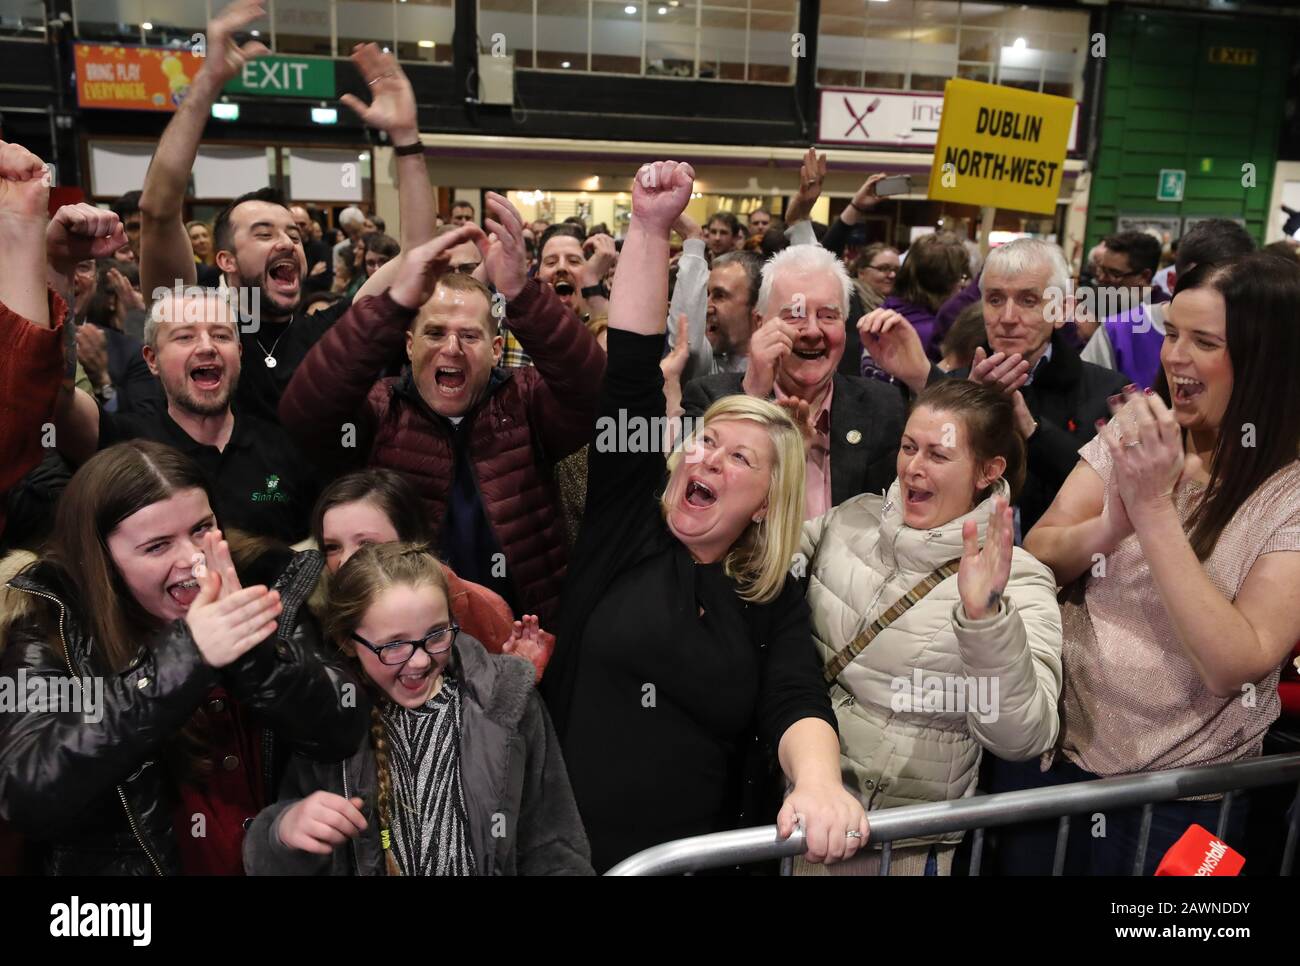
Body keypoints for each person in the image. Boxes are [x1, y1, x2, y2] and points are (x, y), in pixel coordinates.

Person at [545, 159, 867, 874]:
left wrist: (818, 782)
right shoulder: (626, 524)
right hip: (566, 856)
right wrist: (651, 225)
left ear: (764, 507)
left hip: (698, 863)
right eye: (706, 442)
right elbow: (629, 365)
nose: (710, 461)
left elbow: (796, 697)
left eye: (740, 460)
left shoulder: (769, 593)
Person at [988, 252, 1300, 875]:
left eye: (1204, 342)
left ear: (1266, 359)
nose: (1174, 357)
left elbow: (1234, 663)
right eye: (1173, 334)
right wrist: (1110, 524)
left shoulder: (1289, 491)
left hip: (1179, 805)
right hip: (1052, 765)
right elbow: (1042, 555)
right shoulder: (1139, 427)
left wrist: (1152, 510)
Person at [0, 440, 368, 875]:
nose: (193, 559)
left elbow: (340, 725)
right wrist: (187, 656)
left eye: (201, 528)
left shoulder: (263, 579)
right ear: (101, 560)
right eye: (157, 546)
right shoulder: (49, 624)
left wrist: (252, 653)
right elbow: (26, 789)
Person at [279, 197, 604, 628]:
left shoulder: (526, 401)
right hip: (406, 640)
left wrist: (523, 295)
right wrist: (393, 306)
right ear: (409, 346)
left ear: (494, 350)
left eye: (469, 335)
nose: (450, 348)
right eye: (433, 332)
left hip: (528, 637)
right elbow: (305, 412)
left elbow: (594, 392)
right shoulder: (381, 407)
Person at [800, 378, 1062, 875]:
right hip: (796, 815)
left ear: (989, 471)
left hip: (895, 845)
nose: (913, 468)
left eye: (938, 455)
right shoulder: (851, 518)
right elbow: (759, 568)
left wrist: (984, 619)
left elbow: (1023, 736)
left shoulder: (1020, 578)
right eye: (907, 447)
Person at [138, 3, 436, 422]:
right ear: (225, 260)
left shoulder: (324, 332)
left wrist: (406, 136)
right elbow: (159, 211)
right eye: (263, 233)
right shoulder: (198, 329)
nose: (286, 242)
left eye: (294, 235)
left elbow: (417, 257)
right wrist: (207, 82)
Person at [242, 543, 590, 875]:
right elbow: (280, 856)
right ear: (348, 642)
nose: (421, 660)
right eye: (393, 645)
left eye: (437, 634)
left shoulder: (506, 699)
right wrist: (282, 832)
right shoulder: (331, 719)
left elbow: (553, 844)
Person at [866, 238, 1130, 535]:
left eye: (1028, 301)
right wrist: (965, 405)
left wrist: (1031, 429)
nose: (1007, 318)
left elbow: (1109, 493)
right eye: (995, 299)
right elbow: (904, 482)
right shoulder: (952, 384)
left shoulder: (1106, 391)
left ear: (1059, 311)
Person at [48, 287, 322, 544]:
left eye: (221, 335)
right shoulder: (124, 443)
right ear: (152, 360)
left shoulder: (285, 446)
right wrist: (62, 266)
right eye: (185, 337)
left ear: (239, 355)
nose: (207, 347)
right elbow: (55, 399)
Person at [683, 243, 910, 520]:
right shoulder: (709, 399)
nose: (813, 331)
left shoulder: (883, 405)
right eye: (794, 315)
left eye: (828, 316)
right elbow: (695, 511)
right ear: (759, 323)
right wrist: (753, 397)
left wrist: (919, 374)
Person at [312, 468, 552, 677]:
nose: (344, 561)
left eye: (365, 544)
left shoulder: (474, 605)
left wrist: (513, 674)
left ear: (409, 539)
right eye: (332, 547)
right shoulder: (313, 613)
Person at [1082, 219, 1254, 390]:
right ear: (1171, 281)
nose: (1176, 358)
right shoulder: (1117, 333)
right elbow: (1082, 404)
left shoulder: (1254, 338)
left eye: (1228, 291)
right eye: (1197, 286)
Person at [665, 206, 760, 382]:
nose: (706, 307)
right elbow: (687, 345)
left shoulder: (785, 369)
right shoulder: (706, 365)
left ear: (757, 307)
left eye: (720, 295)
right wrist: (693, 238)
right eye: (706, 294)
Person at [884, 231, 969, 364]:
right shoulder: (935, 334)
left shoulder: (884, 311)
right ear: (946, 283)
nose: (962, 284)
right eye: (961, 276)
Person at [851, 243, 900, 313]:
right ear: (861, 273)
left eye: (897, 270)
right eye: (884, 268)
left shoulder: (902, 302)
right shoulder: (849, 299)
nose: (893, 275)